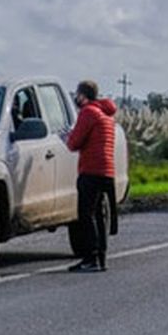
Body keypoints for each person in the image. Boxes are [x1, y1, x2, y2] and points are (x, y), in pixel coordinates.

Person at [65, 80, 118, 273]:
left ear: (83, 95)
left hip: (90, 170)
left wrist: (67, 137)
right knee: (98, 215)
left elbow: (74, 143)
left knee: (85, 216)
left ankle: (90, 258)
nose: (76, 98)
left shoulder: (88, 113)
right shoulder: (106, 114)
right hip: (107, 170)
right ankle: (101, 258)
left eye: (77, 95)